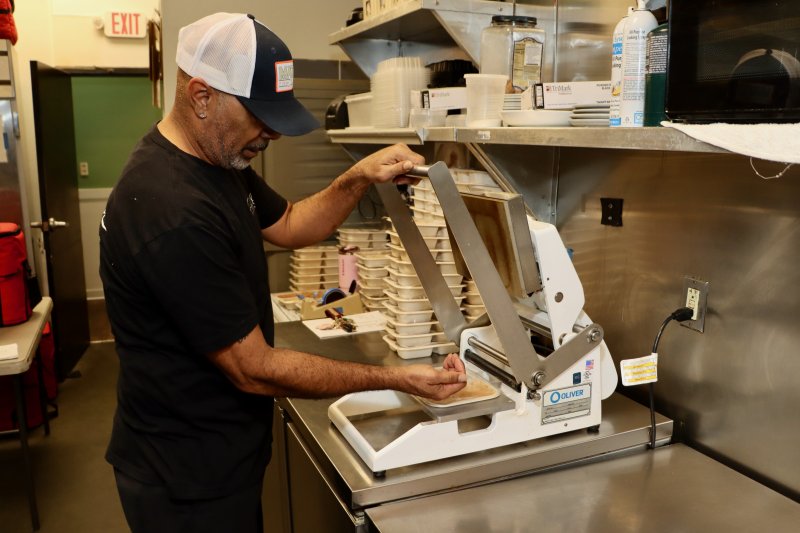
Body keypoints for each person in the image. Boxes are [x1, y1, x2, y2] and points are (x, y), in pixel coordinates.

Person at [99, 12, 467, 533]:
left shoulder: (220, 163)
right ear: (201, 97)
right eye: (259, 115)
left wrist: (359, 175)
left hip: (220, 453)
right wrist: (397, 379)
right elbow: (253, 368)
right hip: (184, 478)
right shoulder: (171, 209)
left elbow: (291, 222)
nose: (271, 132)